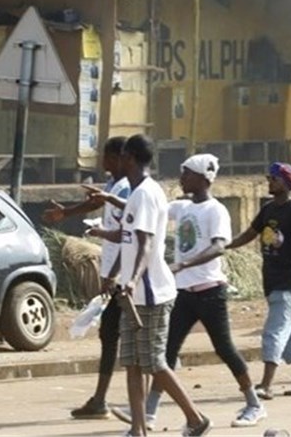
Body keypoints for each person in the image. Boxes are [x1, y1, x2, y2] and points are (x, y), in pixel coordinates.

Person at [112, 153, 266, 429]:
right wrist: (109, 200)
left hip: (209, 291)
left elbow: (219, 246)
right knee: (165, 351)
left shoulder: (215, 210)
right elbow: (147, 209)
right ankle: (149, 411)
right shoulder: (181, 207)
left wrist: (183, 263)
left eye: (186, 174)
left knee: (224, 347)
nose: (181, 179)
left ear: (203, 179)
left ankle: (253, 402)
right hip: (182, 292)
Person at [87, 135, 211, 437]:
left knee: (154, 362)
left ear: (128, 157)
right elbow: (125, 236)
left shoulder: (145, 194)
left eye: (120, 156)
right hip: (132, 294)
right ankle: (138, 429)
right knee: (130, 362)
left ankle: (195, 418)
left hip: (151, 292)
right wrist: (104, 239)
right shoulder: (137, 193)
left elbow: (145, 243)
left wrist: (131, 279)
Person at [41, 136, 131, 420]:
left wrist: (113, 272)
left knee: (131, 338)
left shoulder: (127, 188)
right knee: (111, 334)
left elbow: (126, 235)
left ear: (119, 158)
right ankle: (104, 399)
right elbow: (97, 204)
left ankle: (145, 403)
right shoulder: (115, 185)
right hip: (117, 271)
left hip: (127, 274)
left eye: (106, 156)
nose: (103, 162)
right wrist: (66, 212)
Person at [225, 162, 291, 400]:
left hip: (288, 281)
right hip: (271, 281)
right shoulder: (268, 209)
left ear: (283, 183)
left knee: (273, 333)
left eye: (272, 179)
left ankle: (266, 384)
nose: (268, 182)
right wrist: (226, 246)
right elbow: (250, 234)